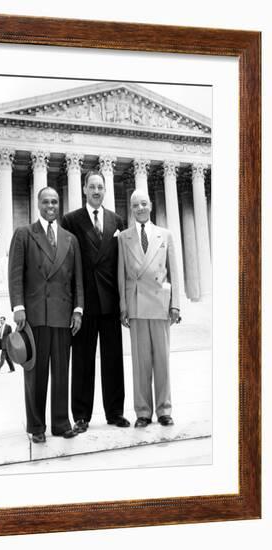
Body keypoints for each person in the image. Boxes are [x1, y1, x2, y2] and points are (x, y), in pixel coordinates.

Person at [8, 187, 84, 443]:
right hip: (35, 316)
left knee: (62, 372)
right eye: (46, 201)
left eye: (54, 201)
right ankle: (36, 427)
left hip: (63, 316)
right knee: (36, 374)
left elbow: (77, 281)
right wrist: (18, 307)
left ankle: (61, 424)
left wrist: (78, 309)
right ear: (37, 204)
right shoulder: (24, 234)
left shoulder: (70, 239)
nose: (51, 205)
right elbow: (15, 273)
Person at [61, 170, 129, 433]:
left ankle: (115, 412)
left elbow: (122, 263)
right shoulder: (71, 220)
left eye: (100, 186)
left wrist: (124, 302)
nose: (97, 191)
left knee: (113, 360)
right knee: (82, 360)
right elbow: (67, 265)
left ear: (105, 190)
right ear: (84, 190)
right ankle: (81, 416)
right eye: (92, 186)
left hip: (110, 301)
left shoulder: (117, 220)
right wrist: (73, 305)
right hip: (84, 302)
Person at [117, 189, 180, 428]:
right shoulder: (124, 237)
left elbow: (174, 271)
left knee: (162, 360)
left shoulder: (166, 235)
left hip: (160, 304)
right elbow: (122, 274)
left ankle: (165, 410)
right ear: (131, 209)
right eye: (135, 205)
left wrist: (175, 305)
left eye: (144, 204)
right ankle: (143, 412)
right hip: (136, 304)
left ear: (151, 206)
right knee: (140, 362)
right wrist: (123, 306)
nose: (140, 208)